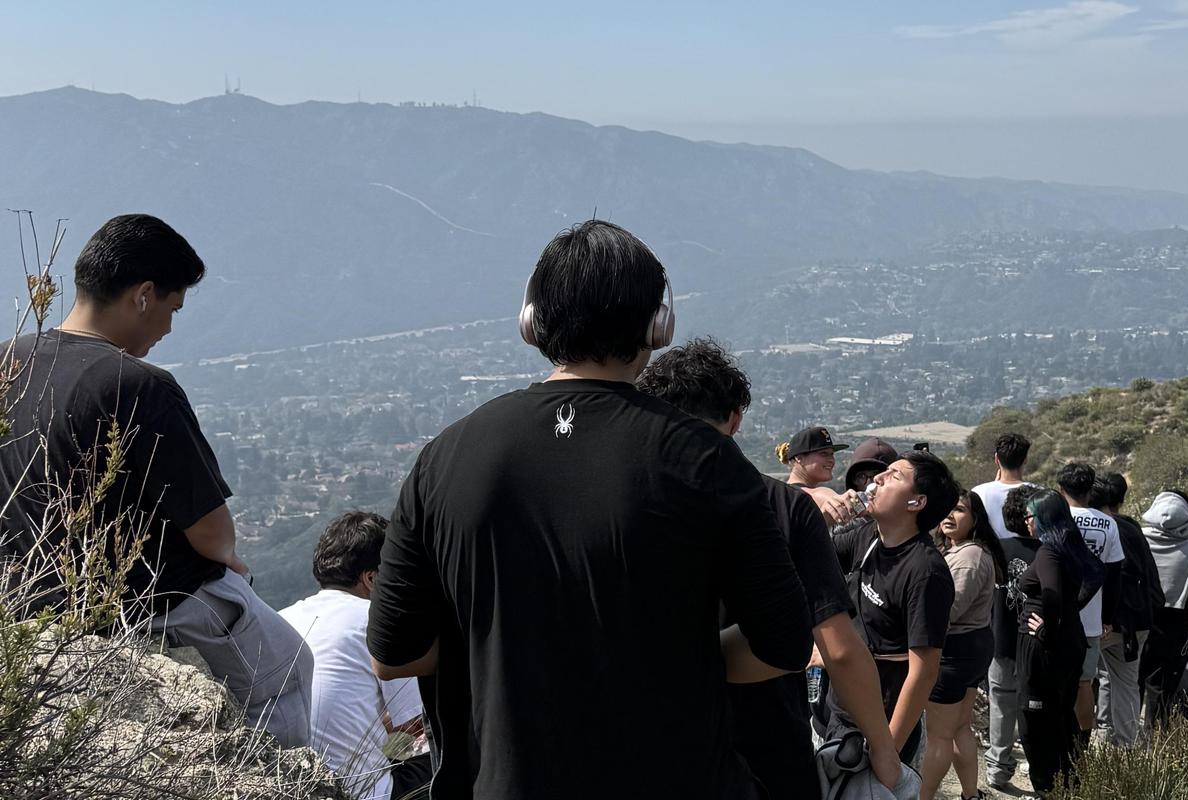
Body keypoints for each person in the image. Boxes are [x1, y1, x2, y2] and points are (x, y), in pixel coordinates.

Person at [366, 220, 812, 798]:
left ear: (532, 321)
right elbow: (784, 645)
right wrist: (677, 658)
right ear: (658, 324)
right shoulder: (703, 458)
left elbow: (393, 656)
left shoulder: (444, 458)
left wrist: (510, 654)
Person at [0, 214, 313, 747]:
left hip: (31, 601)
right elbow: (211, 533)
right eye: (172, 308)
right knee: (288, 668)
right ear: (144, 296)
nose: (168, 328)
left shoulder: (9, 363)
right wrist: (231, 562)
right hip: (148, 602)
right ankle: (284, 776)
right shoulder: (139, 385)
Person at [637, 337, 902, 796]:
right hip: (766, 748)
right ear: (735, 419)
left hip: (656, 740)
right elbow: (839, 649)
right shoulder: (786, 507)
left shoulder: (627, 501)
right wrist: (883, 749)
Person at [279, 512, 429, 800]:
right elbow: (419, 722)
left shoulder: (283, 619)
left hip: (285, 785)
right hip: (359, 792)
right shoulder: (376, 620)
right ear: (371, 579)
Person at [825, 451, 962, 765]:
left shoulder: (926, 571)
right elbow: (812, 559)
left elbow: (923, 672)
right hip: (840, 711)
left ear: (916, 502)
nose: (878, 478)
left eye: (894, 475)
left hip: (879, 725)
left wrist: (887, 751)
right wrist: (827, 517)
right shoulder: (869, 537)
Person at [1017, 489, 1104, 796]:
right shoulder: (1070, 546)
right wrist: (1071, 611)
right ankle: (1069, 783)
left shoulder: (1048, 552)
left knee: (1034, 720)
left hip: (1045, 647)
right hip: (1071, 641)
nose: (1026, 521)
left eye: (1030, 516)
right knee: (1061, 715)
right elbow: (1097, 572)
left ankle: (1047, 787)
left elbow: (1051, 593)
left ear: (1043, 518)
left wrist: (1047, 631)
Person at [920, 492, 1001, 800]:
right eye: (947, 508)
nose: (949, 515)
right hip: (971, 647)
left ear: (975, 518)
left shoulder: (968, 557)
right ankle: (970, 794)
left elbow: (949, 610)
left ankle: (922, 796)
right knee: (958, 727)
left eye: (959, 510)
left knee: (939, 735)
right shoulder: (966, 551)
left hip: (954, 651)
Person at [1091, 472, 1161, 748]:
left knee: (1083, 678)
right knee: (1126, 683)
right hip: (1136, 621)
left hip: (1103, 622)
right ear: (1121, 499)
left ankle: (1088, 742)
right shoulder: (1132, 529)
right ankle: (1126, 747)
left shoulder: (1097, 529)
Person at [1056, 462, 1124, 743]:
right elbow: (1114, 575)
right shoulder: (1108, 524)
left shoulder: (1055, 519)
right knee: (1085, 682)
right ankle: (1082, 743)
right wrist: (1107, 617)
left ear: (1061, 489)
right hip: (1091, 621)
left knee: (1056, 683)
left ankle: (1057, 740)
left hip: (1057, 616)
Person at [1138, 490, 1188, 728]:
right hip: (1173, 629)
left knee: (1132, 682)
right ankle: (1156, 736)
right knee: (1160, 688)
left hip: (1138, 621)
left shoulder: (1138, 540)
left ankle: (1126, 738)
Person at [985, 486, 1043, 791]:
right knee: (1035, 709)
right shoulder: (1047, 552)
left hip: (1001, 639)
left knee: (1001, 705)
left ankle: (997, 767)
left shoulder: (997, 549)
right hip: (1036, 643)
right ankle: (1040, 771)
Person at [971, 432, 1037, 540]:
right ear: (1025, 459)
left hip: (990, 551)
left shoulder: (978, 493)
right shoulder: (1039, 494)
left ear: (996, 459)